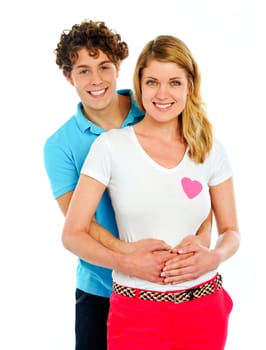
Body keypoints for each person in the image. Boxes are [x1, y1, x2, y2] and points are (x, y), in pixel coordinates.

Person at [62, 34, 240, 350]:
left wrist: (213, 257)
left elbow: (231, 231)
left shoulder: (209, 150)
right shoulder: (111, 147)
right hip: (136, 312)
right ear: (139, 86)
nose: (162, 93)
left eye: (174, 82)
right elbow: (72, 234)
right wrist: (126, 262)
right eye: (152, 82)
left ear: (190, 86)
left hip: (203, 308)